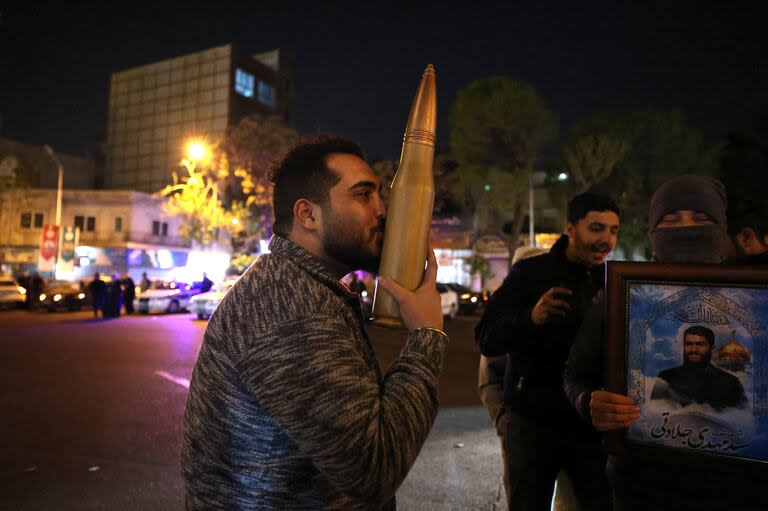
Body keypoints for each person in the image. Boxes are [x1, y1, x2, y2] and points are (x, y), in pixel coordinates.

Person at [181, 136, 448, 510]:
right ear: (307, 215)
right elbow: (374, 470)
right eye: (363, 195)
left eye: (379, 195)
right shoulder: (287, 307)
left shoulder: (298, 286)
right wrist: (426, 336)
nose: (383, 210)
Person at [564, 174, 762, 510]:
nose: (686, 227)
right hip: (642, 485)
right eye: (671, 220)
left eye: (701, 218)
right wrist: (589, 402)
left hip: (739, 491)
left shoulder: (756, 295)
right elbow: (574, 375)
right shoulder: (623, 296)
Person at [476, 192, 620, 510]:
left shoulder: (613, 281)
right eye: (596, 228)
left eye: (613, 230)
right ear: (570, 228)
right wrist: (531, 318)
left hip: (588, 428)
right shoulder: (530, 274)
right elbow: (487, 338)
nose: (606, 240)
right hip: (532, 424)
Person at [650, 325, 747, 411]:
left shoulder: (730, 383)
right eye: (689, 344)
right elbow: (653, 415)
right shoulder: (666, 378)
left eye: (700, 344)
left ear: (712, 349)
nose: (693, 350)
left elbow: (743, 423)